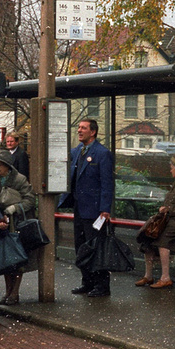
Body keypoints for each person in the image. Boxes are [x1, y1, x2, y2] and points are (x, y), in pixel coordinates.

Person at [58, 118, 115, 297]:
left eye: (83, 128)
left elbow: (107, 183)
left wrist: (105, 209)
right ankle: (87, 282)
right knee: (81, 247)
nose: (79, 131)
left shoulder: (102, 153)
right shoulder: (76, 152)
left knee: (96, 248)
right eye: (78, 128)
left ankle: (101, 286)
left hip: (96, 211)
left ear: (93, 132)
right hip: (79, 209)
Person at [136, 154, 175, 289]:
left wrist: (169, 209)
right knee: (148, 238)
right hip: (171, 217)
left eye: (172, 167)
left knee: (162, 242)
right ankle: (148, 276)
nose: (170, 170)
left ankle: (166, 277)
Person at [0, 149, 37, 305]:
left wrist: (15, 208)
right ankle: (7, 292)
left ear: (7, 166)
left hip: (17, 224)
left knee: (17, 259)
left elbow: (30, 200)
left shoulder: (20, 180)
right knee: (5, 259)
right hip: (2, 224)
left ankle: (14, 293)